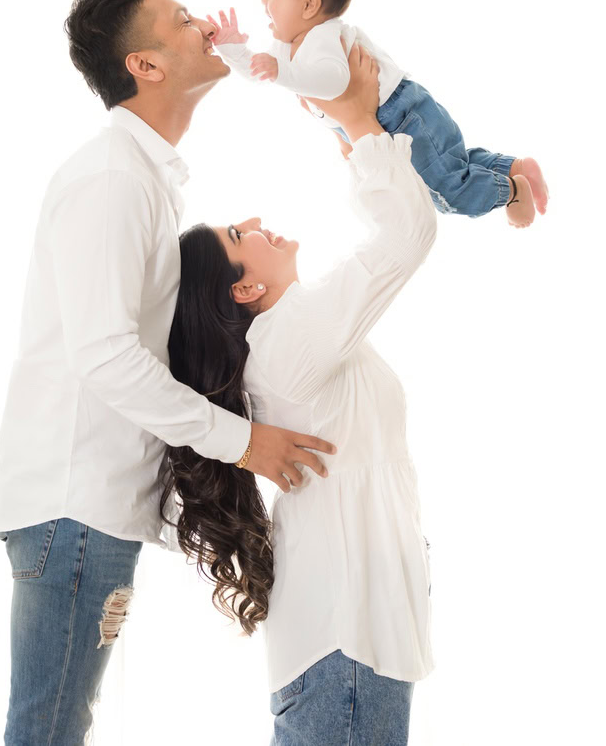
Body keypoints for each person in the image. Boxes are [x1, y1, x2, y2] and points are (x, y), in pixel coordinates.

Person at [0, 0, 336, 746]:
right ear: (143, 66)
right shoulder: (114, 178)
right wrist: (246, 443)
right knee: (47, 730)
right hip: (73, 504)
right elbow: (106, 357)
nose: (204, 25)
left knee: (53, 727)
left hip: (84, 504)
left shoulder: (141, 178)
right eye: (183, 19)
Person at [163, 43, 436, 744]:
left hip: (350, 645)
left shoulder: (292, 341)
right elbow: (406, 233)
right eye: (237, 233)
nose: (253, 219)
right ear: (245, 289)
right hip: (346, 648)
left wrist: (353, 129)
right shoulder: (286, 344)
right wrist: (357, 118)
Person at [209, 0, 550, 228]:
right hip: (403, 112)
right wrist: (233, 51)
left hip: (398, 114)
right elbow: (261, 72)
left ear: (310, 4)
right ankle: (516, 167)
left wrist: (281, 71)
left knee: (446, 192)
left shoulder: (323, 36)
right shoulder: (287, 45)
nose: (264, 2)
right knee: (452, 162)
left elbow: (334, 82)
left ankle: (513, 191)